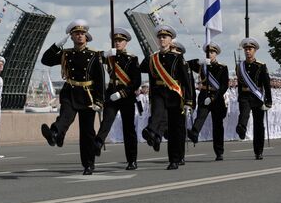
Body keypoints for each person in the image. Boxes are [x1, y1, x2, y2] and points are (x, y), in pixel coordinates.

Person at [41, 19, 104, 175]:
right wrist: (57, 45)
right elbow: (46, 60)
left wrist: (99, 101)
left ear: (87, 37)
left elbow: (101, 79)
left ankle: (88, 164)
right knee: (65, 117)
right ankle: (54, 134)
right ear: (72, 37)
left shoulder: (94, 55)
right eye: (76, 34)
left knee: (87, 132)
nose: (80, 36)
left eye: (82, 34)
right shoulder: (65, 54)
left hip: (88, 95)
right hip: (70, 91)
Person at [140, 25, 193, 170]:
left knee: (175, 129)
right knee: (157, 113)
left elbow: (187, 80)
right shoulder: (153, 58)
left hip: (175, 95)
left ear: (171, 40)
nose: (162, 39)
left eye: (165, 37)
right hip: (158, 92)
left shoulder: (177, 58)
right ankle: (151, 131)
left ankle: (174, 159)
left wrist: (188, 101)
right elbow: (140, 68)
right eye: (160, 37)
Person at [93, 27, 141, 170]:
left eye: (120, 41)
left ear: (126, 43)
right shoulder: (109, 57)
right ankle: (98, 143)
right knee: (106, 121)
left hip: (126, 96)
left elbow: (136, 82)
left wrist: (123, 93)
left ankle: (132, 160)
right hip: (111, 93)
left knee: (128, 129)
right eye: (115, 41)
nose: (118, 43)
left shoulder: (132, 59)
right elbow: (94, 60)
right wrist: (106, 54)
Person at [187, 42, 229, 161]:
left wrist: (213, 98)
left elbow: (224, 86)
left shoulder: (222, 67)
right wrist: (198, 61)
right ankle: (194, 133)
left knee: (217, 126)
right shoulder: (202, 65)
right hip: (204, 93)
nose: (210, 54)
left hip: (217, 98)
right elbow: (186, 64)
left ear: (216, 54)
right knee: (200, 116)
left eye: (212, 52)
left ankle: (219, 152)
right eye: (208, 52)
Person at [235, 38, 272, 160]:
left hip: (257, 97)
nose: (247, 51)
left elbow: (266, 85)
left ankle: (258, 151)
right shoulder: (240, 66)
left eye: (250, 49)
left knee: (258, 125)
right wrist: (239, 95)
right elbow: (240, 84)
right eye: (246, 49)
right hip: (245, 95)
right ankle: (241, 128)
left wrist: (268, 101)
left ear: (255, 50)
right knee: (244, 114)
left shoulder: (261, 66)